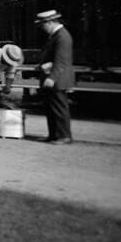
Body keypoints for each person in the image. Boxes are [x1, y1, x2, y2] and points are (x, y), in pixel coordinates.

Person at [35, 8, 74, 144]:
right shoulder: (56, 35)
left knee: (59, 108)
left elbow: (60, 61)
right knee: (51, 107)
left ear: (50, 22)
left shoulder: (62, 36)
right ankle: (54, 134)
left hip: (58, 78)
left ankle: (64, 136)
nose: (42, 28)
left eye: (43, 25)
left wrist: (52, 78)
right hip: (52, 76)